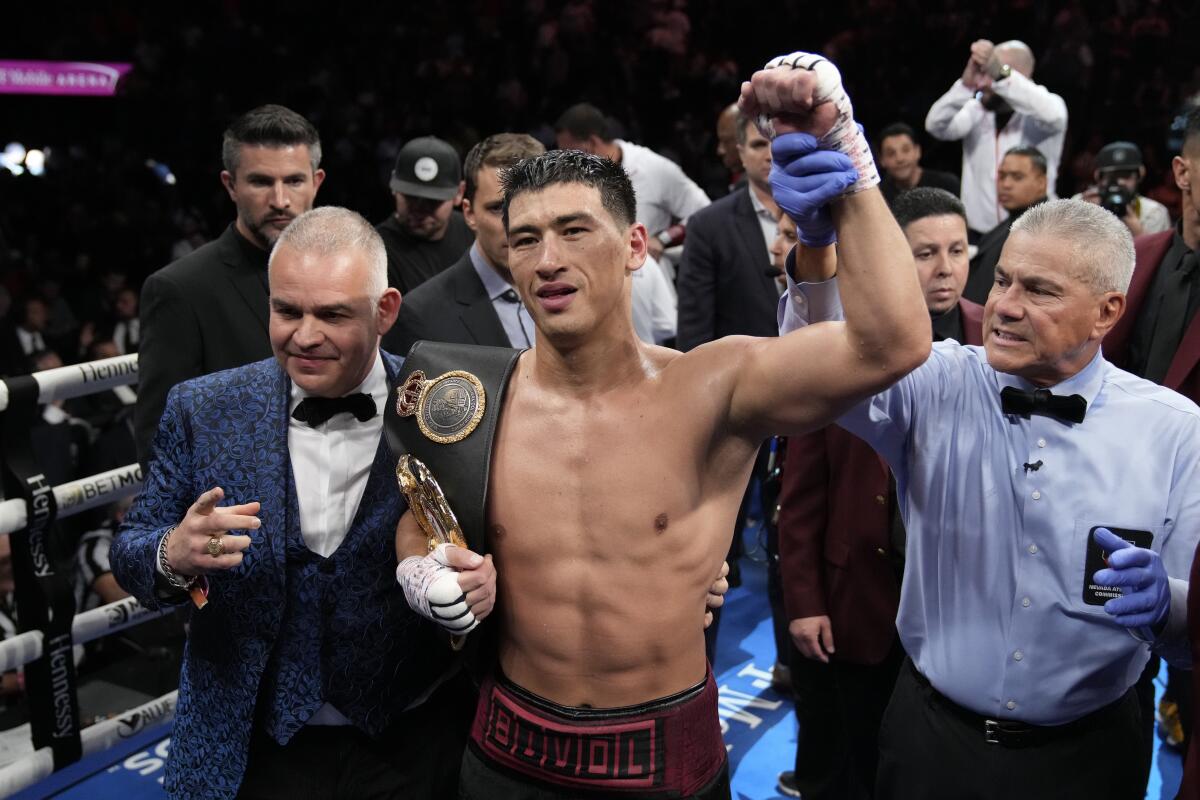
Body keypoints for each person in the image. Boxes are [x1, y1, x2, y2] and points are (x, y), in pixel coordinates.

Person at [409, 51, 931, 798]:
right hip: (505, 753)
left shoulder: (711, 385)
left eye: (574, 230)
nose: (548, 259)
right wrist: (423, 572)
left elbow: (893, 344)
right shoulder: (475, 393)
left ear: (634, 248)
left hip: (661, 760)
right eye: (525, 239)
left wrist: (848, 160)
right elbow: (419, 510)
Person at [781, 196, 1199, 799]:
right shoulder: (937, 380)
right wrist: (818, 250)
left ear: (1107, 311)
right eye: (1002, 279)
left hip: (1092, 757)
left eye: (1039, 290)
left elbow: (1190, 633)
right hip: (930, 742)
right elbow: (814, 368)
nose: (1003, 305)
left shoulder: (1175, 429)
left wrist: (1169, 609)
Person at [111, 207, 497, 800]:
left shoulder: (444, 409)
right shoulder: (203, 408)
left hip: (410, 736)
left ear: (385, 310)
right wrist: (172, 552)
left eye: (333, 314)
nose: (305, 335)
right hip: (252, 743)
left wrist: (482, 581)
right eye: (286, 310)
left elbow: (496, 545)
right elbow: (131, 551)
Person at [775, 187, 982, 800]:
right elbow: (803, 486)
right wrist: (805, 599)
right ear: (892, 255)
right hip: (860, 601)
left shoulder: (1001, 342)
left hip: (959, 606)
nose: (945, 268)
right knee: (861, 758)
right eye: (925, 253)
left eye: (958, 249)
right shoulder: (844, 340)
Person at [135, 104, 325, 467]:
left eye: (294, 181)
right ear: (231, 185)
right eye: (261, 181)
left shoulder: (340, 276)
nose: (280, 200)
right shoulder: (181, 289)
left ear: (316, 183)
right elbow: (160, 443)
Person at [387, 133, 544, 355]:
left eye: (530, 206)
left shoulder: (576, 289)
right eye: (498, 208)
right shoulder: (420, 316)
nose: (516, 225)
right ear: (469, 213)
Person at [925, 39, 1067, 236]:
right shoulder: (976, 109)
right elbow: (935, 126)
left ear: (1020, 76)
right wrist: (965, 86)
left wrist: (1001, 74)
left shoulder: (1045, 108)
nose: (983, 82)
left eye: (990, 72)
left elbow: (1054, 114)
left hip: (1037, 231)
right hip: (980, 235)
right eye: (984, 72)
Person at [677, 110, 781, 350]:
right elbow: (694, 331)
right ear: (741, 153)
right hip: (745, 381)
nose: (771, 155)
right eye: (759, 145)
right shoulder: (707, 226)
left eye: (778, 143)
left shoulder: (828, 214)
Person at [555, 102, 711, 262]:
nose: (567, 162)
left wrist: (664, 239)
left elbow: (704, 212)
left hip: (647, 275)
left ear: (593, 143)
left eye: (570, 154)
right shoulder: (571, 180)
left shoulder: (652, 167)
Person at [376, 135, 475, 296]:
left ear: (459, 193)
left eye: (433, 201)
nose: (420, 208)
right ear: (393, 187)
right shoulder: (376, 252)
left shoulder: (474, 233)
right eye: (411, 198)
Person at [963, 146, 1049, 303]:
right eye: (1002, 176)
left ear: (1041, 183)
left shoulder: (1044, 231)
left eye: (1017, 177)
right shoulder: (1008, 225)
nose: (1006, 184)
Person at [1074, 140, 1171, 236]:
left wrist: (1133, 225)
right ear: (1098, 176)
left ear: (1140, 175)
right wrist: (1084, 215)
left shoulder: (1154, 212)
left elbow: (1155, 251)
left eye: (1126, 175)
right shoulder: (1080, 202)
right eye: (1111, 176)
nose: (1120, 182)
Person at [876, 123, 960, 206]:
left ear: (918, 151)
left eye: (906, 150)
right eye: (891, 153)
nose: (900, 158)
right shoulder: (878, 196)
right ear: (881, 160)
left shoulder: (947, 184)